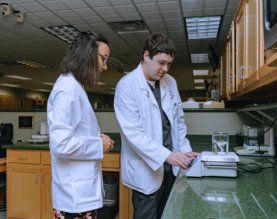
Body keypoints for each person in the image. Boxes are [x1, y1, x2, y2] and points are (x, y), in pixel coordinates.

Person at [114, 33, 198, 219]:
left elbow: (178, 122)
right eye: (161, 62)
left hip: (171, 169)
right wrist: (167, 155)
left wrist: (184, 152)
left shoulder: (171, 82)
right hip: (147, 171)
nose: (165, 69)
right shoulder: (127, 86)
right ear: (146, 56)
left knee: (169, 215)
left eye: (169, 64)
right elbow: (134, 134)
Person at [47, 31, 115, 219]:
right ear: (88, 55)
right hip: (73, 197)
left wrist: (96, 138)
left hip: (80, 193)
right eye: (104, 59)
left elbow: (76, 132)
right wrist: (97, 145)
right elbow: (60, 144)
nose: (105, 66)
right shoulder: (67, 89)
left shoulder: (75, 86)